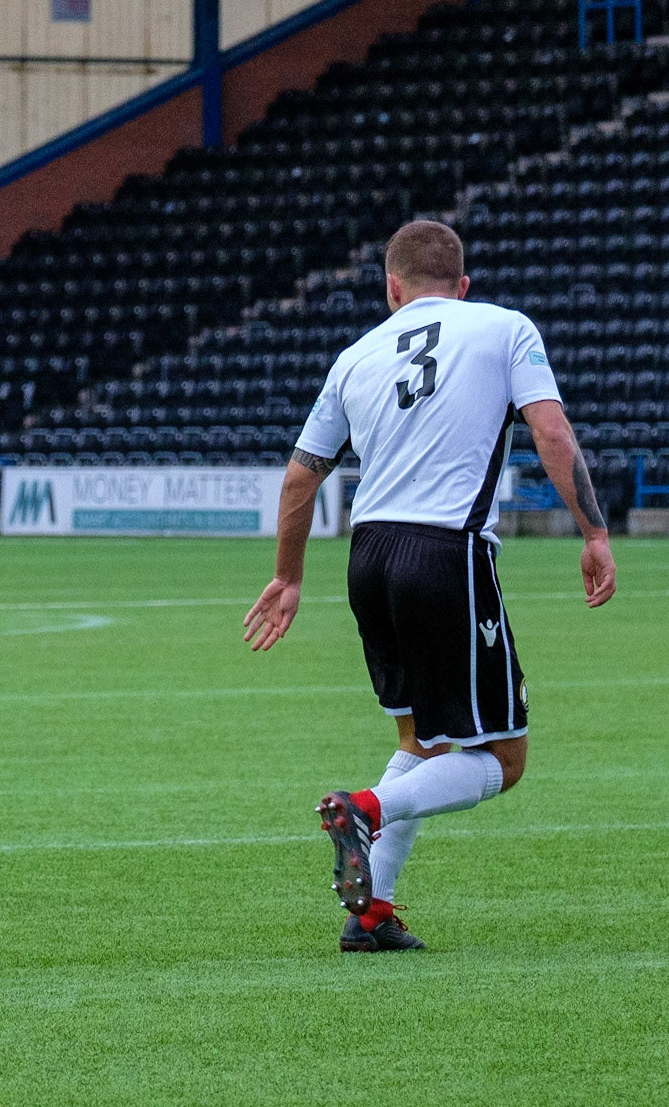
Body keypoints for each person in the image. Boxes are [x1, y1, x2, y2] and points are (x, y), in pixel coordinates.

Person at [242, 220, 616, 952]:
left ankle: (369, 912)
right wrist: (593, 532)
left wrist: (287, 577)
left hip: (368, 555)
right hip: (445, 553)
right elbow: (551, 431)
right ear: (462, 284)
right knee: (501, 762)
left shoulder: (355, 356)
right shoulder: (504, 328)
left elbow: (298, 477)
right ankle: (363, 808)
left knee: (422, 741)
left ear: (391, 288)